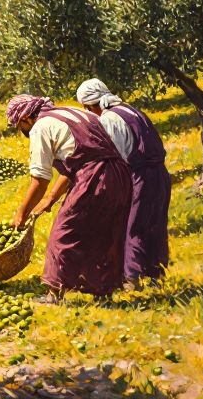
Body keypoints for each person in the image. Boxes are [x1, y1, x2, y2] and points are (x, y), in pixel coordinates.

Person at [6, 94, 133, 304]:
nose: (22, 131)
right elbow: (79, 162)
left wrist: (21, 214)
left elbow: (39, 180)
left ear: (26, 117)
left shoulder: (40, 126)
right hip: (119, 174)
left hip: (93, 178)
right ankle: (103, 293)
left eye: (20, 126)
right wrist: (50, 199)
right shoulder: (73, 112)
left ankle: (54, 294)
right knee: (104, 233)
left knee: (64, 233)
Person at [76, 79, 172, 289]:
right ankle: (156, 274)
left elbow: (116, 157)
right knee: (155, 224)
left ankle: (132, 278)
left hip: (139, 175)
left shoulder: (109, 119)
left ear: (90, 105)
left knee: (133, 226)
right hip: (160, 173)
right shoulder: (131, 110)